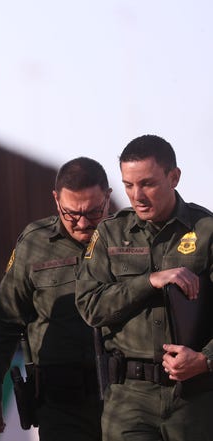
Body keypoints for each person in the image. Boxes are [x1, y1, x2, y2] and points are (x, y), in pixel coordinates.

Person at [76, 134, 213, 440]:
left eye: (148, 183)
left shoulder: (207, 231)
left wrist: (205, 360)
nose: (136, 195)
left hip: (196, 399)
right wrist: (149, 281)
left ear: (173, 177)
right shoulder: (110, 233)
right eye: (128, 185)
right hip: (129, 399)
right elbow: (90, 306)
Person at [0, 157, 110, 440]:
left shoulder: (127, 240)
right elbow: (5, 321)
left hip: (123, 400)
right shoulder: (34, 243)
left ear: (108, 197)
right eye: (72, 213)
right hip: (60, 404)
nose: (83, 223)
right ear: (55, 199)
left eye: (93, 212)